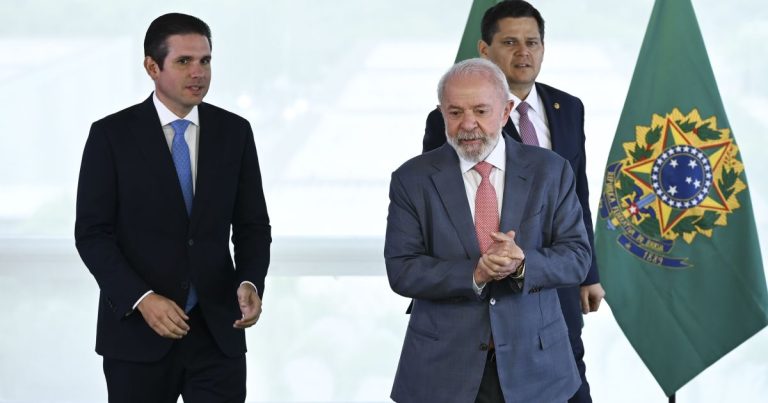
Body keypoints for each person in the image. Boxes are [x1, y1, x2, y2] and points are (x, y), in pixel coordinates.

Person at [75, 13, 271, 403]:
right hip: (138, 335)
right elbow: (93, 235)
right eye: (184, 61)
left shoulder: (235, 132)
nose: (199, 72)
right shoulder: (110, 136)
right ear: (152, 67)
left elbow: (252, 226)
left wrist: (250, 282)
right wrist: (141, 299)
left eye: (205, 60)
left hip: (218, 332)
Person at [421, 1, 604, 401]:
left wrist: (588, 272)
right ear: (484, 50)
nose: (523, 53)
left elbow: (578, 193)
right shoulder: (454, 120)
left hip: (555, 276)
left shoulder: (568, 108)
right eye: (510, 42)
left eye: (532, 42)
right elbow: (444, 205)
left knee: (570, 382)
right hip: (495, 290)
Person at [385, 58, 591, 402]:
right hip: (444, 370)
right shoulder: (411, 179)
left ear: (506, 110)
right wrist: (475, 273)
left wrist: (523, 264)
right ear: (441, 113)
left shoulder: (551, 171)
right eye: (455, 113)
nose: (468, 124)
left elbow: (577, 258)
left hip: (537, 367)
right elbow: (402, 270)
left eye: (481, 111)